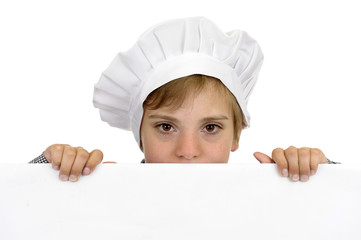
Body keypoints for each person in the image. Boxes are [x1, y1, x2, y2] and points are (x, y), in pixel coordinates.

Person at [30, 17, 338, 182]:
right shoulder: (98, 199)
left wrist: (324, 176)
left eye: (210, 128)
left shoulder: (271, 201)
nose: (188, 152)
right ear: (139, 135)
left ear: (236, 133)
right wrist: (49, 173)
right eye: (166, 127)